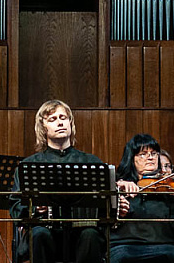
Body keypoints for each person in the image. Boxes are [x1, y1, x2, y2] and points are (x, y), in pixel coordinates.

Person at [9, 99, 106, 263]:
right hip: (45, 232)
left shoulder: (91, 162)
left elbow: (105, 203)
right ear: (43, 128)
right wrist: (34, 208)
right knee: (39, 234)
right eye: (52, 119)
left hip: (81, 234)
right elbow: (15, 207)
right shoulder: (29, 165)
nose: (60, 122)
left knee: (91, 234)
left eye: (63, 117)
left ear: (70, 123)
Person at [110, 134, 174, 263]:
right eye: (143, 154)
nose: (150, 157)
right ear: (131, 159)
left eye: (154, 153)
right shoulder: (120, 185)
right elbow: (106, 220)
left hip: (166, 245)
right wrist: (117, 191)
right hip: (124, 245)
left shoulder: (169, 187)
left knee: (172, 257)